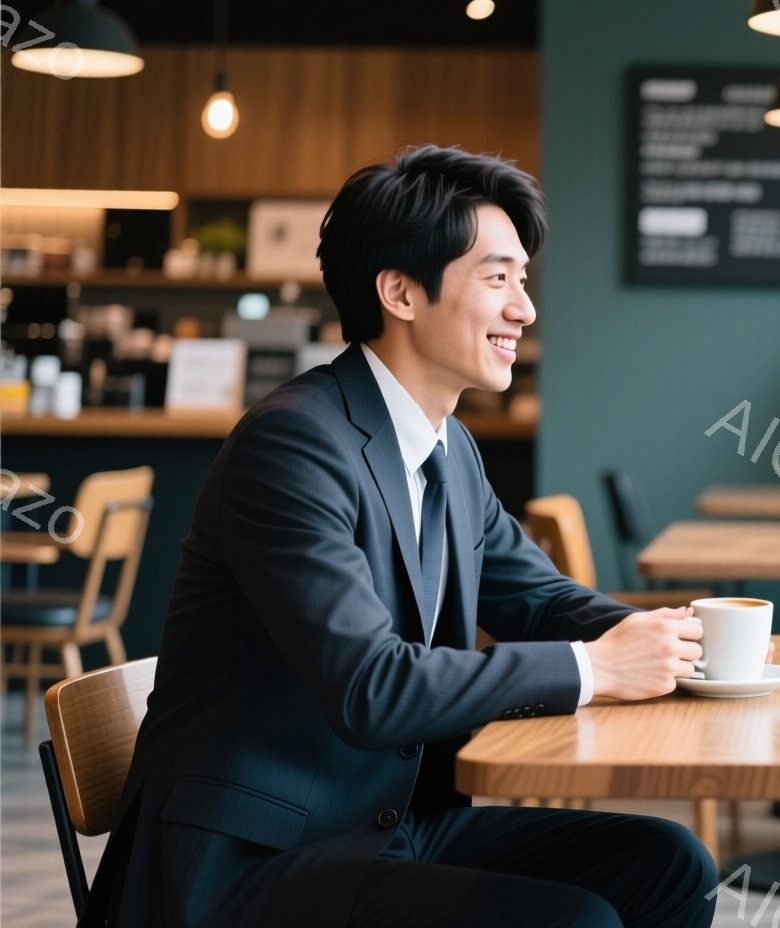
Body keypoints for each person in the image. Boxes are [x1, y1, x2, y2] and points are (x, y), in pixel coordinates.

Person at [82, 146, 719, 927]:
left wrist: (686, 644)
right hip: (249, 863)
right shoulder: (293, 445)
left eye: (522, 279)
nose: (524, 308)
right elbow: (370, 688)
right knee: (574, 919)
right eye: (497, 278)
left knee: (667, 863)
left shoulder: (447, 448)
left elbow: (539, 598)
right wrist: (595, 668)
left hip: (381, 827)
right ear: (400, 292)